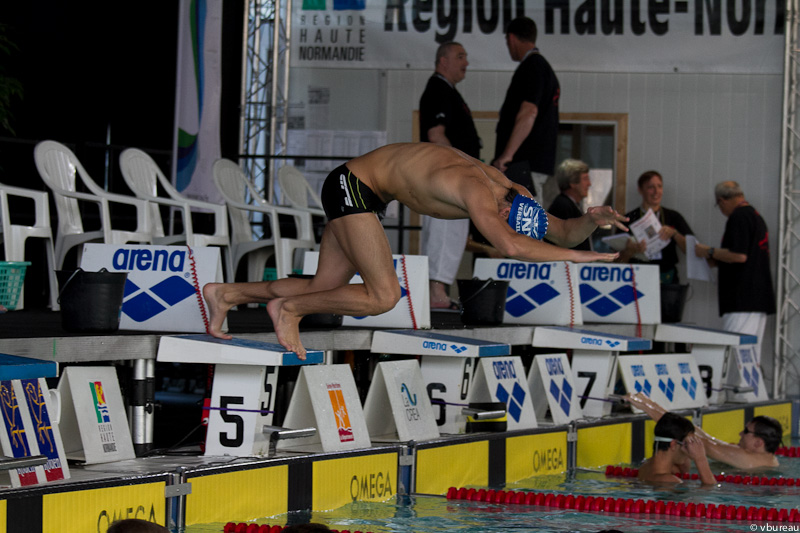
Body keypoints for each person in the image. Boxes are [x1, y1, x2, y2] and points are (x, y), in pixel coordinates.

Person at [204, 143, 628, 358]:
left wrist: (591, 220)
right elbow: (511, 245)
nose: (498, 222)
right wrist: (583, 258)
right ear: (501, 210)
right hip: (354, 187)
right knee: (383, 296)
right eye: (500, 219)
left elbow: (562, 232)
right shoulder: (477, 190)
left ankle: (227, 294)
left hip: (361, 189)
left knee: (324, 287)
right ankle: (289, 310)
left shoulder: (516, 194)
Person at [418, 42, 481, 309]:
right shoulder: (438, 89)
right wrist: (462, 167)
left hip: (452, 176)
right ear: (443, 61)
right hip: (446, 177)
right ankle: (436, 292)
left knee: (453, 232)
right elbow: (436, 135)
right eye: (460, 57)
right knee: (444, 231)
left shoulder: (449, 91)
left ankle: (438, 290)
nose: (466, 62)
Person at [694, 181, 776, 363]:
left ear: (722, 201)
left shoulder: (739, 217)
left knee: (735, 354)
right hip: (758, 298)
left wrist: (709, 251)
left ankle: (734, 383)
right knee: (751, 358)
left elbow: (739, 255)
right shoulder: (755, 216)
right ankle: (750, 383)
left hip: (742, 299)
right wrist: (716, 259)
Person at [492, 16, 560, 209]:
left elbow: (529, 112)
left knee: (524, 223)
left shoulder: (532, 67)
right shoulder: (544, 69)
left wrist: (507, 155)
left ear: (511, 38)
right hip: (533, 166)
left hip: (524, 167)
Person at [626, 392, 782, 469]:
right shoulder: (765, 459)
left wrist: (646, 407)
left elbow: (695, 439)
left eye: (746, 431)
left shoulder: (747, 459)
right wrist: (651, 404)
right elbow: (708, 439)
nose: (740, 434)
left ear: (758, 442)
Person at [618, 171, 694, 285]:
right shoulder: (628, 219)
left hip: (667, 279)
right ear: (640, 190)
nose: (656, 191)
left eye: (659, 186)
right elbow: (616, 261)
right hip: (637, 279)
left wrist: (674, 233)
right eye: (650, 187)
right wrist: (629, 251)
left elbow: (691, 250)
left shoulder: (673, 216)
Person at [635, 411, 716, 485]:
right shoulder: (669, 480)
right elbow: (710, 489)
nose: (689, 450)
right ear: (673, 444)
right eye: (687, 445)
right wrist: (700, 459)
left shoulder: (645, 467)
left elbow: (682, 471)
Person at [547, 159, 592, 251]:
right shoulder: (562, 205)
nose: (589, 184)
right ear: (572, 183)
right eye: (585, 179)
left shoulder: (572, 204)